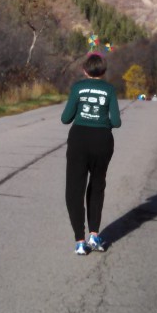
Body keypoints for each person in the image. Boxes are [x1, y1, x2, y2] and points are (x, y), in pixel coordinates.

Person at [61, 52, 121, 254]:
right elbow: (117, 121)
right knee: (97, 186)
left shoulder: (78, 88)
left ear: (84, 70)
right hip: (102, 139)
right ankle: (94, 235)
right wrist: (103, 121)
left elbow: (66, 118)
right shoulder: (109, 89)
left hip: (79, 138)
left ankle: (79, 240)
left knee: (74, 189)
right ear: (103, 71)